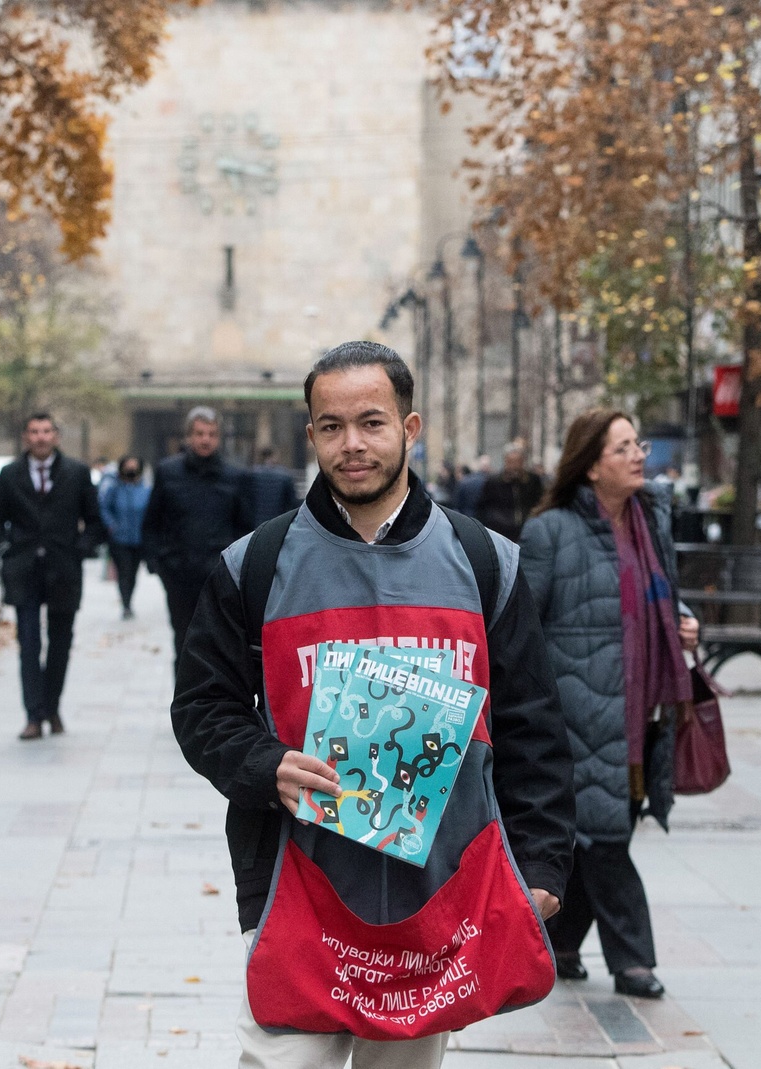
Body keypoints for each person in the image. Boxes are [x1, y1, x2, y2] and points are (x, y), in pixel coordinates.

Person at [172, 341, 574, 1068]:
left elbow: (533, 725)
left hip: (440, 890)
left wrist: (542, 864)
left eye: (371, 422)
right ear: (311, 435)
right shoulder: (253, 565)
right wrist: (264, 765)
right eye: (332, 426)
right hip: (299, 880)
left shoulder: (486, 562)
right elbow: (202, 706)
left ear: (410, 428)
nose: (351, 444)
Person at [518, 409, 699, 1000]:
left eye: (638, 444)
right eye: (623, 448)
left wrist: (683, 622)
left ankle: (561, 943)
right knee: (606, 838)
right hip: (579, 714)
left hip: (641, 710)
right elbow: (521, 627)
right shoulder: (550, 532)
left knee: (599, 833)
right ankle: (634, 960)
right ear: (592, 466)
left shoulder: (650, 522)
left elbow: (659, 599)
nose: (639, 455)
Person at [0, 413, 106, 740]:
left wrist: (80, 549)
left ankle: (52, 708)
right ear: (25, 437)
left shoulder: (77, 472)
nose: (40, 437)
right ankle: (33, 715)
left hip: (63, 568)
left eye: (46, 431)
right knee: (28, 643)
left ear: (56, 436)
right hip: (23, 569)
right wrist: (6, 548)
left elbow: (95, 521)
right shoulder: (10, 474)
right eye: (34, 432)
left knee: (60, 642)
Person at [141, 406, 251, 661]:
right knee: (183, 641)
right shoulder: (168, 472)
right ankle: (183, 688)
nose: (205, 440)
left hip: (220, 576)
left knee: (220, 645)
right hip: (179, 573)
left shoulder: (236, 476)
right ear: (189, 436)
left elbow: (245, 527)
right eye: (200, 433)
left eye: (211, 434)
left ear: (219, 437)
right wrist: (158, 563)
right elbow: (153, 520)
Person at [101, 456, 150, 620]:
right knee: (124, 571)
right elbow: (104, 507)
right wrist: (111, 525)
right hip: (119, 539)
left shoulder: (145, 489)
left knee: (133, 573)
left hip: (138, 539)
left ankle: (129, 599)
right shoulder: (114, 488)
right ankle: (126, 603)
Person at [476, 441, 545, 541]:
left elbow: (539, 502)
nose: (514, 466)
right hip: (500, 532)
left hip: (526, 531)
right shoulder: (493, 481)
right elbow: (482, 507)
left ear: (523, 462)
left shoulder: (532, 481)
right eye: (510, 462)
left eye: (517, 462)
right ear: (505, 462)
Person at [245, 445, 299, 525]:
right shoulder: (285, 476)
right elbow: (292, 503)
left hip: (256, 522)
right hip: (277, 522)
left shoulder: (251, 475)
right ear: (274, 456)